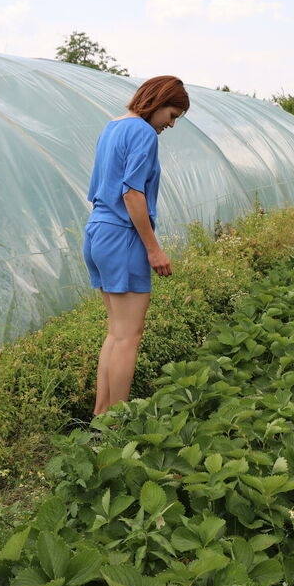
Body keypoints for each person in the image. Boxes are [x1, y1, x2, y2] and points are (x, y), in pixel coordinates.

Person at [82, 75, 189, 416]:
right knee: (130, 336)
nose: (171, 124)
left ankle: (102, 416)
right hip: (122, 235)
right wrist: (153, 248)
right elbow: (131, 192)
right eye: (172, 115)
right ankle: (117, 424)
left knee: (117, 333)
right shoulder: (143, 132)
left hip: (98, 231)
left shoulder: (112, 127)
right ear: (157, 102)